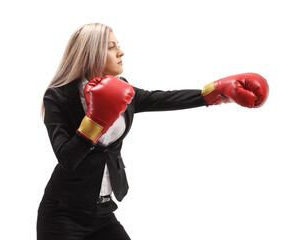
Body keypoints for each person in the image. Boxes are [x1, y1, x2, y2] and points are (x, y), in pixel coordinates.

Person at [37, 23, 269, 240]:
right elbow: (66, 158)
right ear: (91, 53)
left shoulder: (122, 90)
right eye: (112, 47)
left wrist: (216, 92)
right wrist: (95, 121)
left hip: (103, 211)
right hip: (63, 213)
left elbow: (163, 98)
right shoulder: (58, 96)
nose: (121, 52)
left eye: (118, 45)